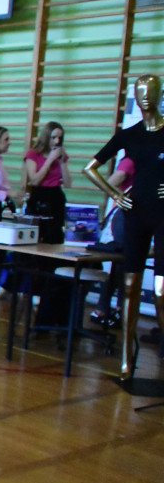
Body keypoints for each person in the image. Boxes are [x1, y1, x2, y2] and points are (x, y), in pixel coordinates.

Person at [84, 73, 164, 381]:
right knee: (130, 285)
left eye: (151, 91)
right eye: (141, 91)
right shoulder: (129, 135)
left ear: (159, 94)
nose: (146, 97)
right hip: (136, 213)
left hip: (162, 214)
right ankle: (127, 359)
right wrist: (115, 194)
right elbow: (90, 167)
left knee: (161, 289)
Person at [89, 156, 134, 328]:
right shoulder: (131, 160)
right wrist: (122, 197)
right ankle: (110, 308)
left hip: (137, 217)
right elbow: (111, 182)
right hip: (126, 216)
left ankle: (113, 308)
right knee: (122, 263)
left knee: (125, 264)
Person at [23, 121, 71, 244]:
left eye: (60, 138)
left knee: (55, 235)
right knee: (37, 234)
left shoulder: (61, 156)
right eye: (53, 137)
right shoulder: (33, 154)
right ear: (46, 137)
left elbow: (68, 184)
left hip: (56, 195)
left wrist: (62, 162)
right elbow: (34, 180)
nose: (57, 141)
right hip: (39, 196)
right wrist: (49, 160)